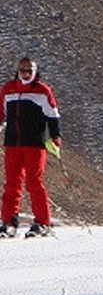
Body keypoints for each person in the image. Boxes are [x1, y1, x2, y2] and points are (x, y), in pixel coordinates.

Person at [2, 57, 62, 238]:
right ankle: (8, 222)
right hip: (12, 144)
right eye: (23, 70)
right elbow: (1, 113)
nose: (26, 74)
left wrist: (55, 136)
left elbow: (53, 114)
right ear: (17, 71)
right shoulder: (8, 89)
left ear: (35, 72)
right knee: (12, 184)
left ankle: (43, 222)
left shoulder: (42, 91)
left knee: (34, 183)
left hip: (35, 144)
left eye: (30, 71)